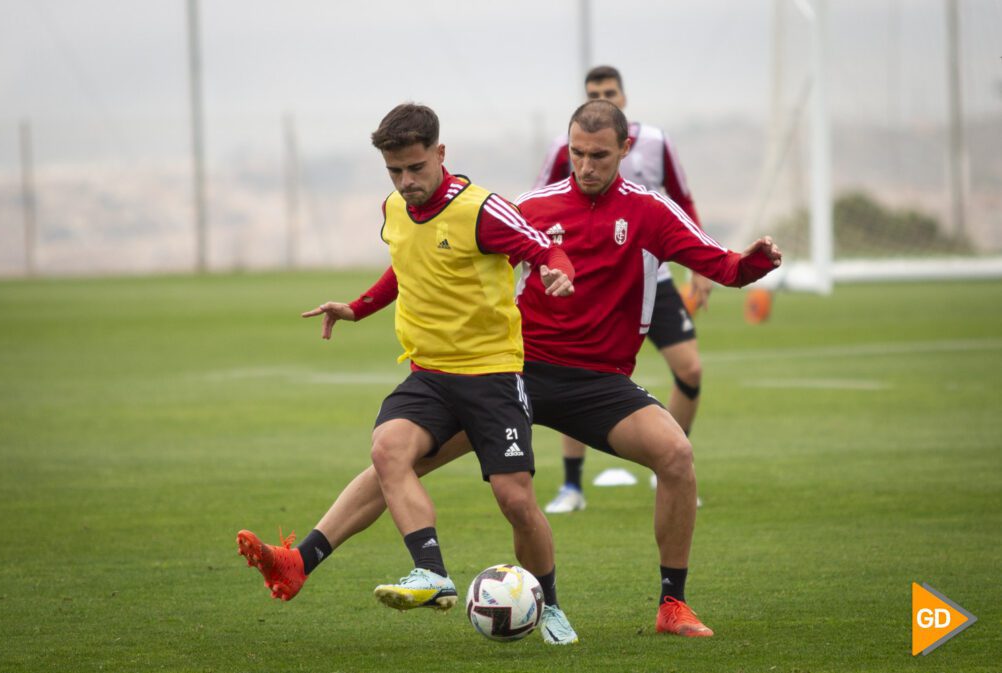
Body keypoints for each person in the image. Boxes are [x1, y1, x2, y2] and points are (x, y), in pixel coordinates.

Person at [241, 100, 781, 638]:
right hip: (516, 371)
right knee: (397, 460)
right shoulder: (534, 205)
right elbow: (431, 257)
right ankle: (301, 560)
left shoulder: (650, 212)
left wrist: (752, 263)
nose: (586, 166)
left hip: (599, 383)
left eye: (599, 155)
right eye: (576, 153)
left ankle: (672, 604)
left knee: (677, 456)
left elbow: (721, 264)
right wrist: (361, 307)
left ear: (625, 150)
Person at [235, 103, 581, 645]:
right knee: (388, 450)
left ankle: (551, 603)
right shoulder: (394, 207)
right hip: (430, 376)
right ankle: (432, 571)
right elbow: (404, 265)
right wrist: (356, 307)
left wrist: (558, 274)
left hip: (491, 375)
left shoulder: (482, 210)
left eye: (416, 168)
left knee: (516, 501)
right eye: (395, 171)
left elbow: (546, 250)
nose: (406, 181)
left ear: (441, 154)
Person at [536, 65, 712, 514]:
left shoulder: (656, 140)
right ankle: (572, 487)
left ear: (624, 97)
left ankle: (668, 462)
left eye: (610, 91)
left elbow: (683, 198)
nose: (586, 163)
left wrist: (701, 265)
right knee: (574, 370)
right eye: (595, 92)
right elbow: (539, 207)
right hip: (592, 280)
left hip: (656, 276)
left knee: (690, 371)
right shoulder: (564, 147)